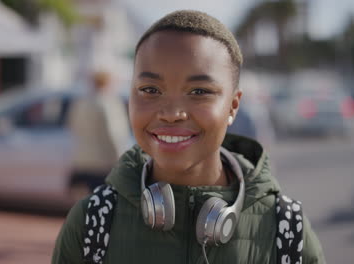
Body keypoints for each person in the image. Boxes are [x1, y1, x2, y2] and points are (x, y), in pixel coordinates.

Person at [53, 10, 325, 264]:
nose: (172, 113)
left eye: (198, 92)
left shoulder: (287, 231)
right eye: (150, 89)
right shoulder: (91, 223)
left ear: (233, 106)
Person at [67, 71, 130, 198]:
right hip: (102, 163)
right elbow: (114, 134)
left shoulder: (81, 102)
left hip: (82, 160)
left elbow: (72, 127)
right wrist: (120, 160)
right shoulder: (108, 104)